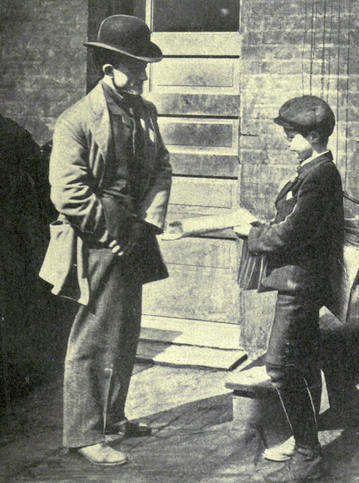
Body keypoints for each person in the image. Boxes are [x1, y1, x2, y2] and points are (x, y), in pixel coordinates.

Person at [39, 15, 172, 466]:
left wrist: (147, 223)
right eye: (135, 67)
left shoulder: (146, 112)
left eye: (144, 67)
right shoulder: (76, 119)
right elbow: (68, 192)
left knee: (127, 332)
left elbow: (163, 167)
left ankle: (112, 418)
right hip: (95, 241)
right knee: (94, 337)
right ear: (109, 67)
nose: (143, 76)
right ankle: (84, 433)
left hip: (136, 235)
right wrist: (113, 234)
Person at [235, 95, 344, 481]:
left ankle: (308, 453)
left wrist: (251, 234)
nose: (287, 142)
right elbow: (295, 223)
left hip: (300, 284)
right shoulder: (312, 170)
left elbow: (293, 233)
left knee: (280, 365)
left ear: (314, 136)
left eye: (292, 136)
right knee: (304, 362)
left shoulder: (320, 175)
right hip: (302, 280)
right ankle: (304, 439)